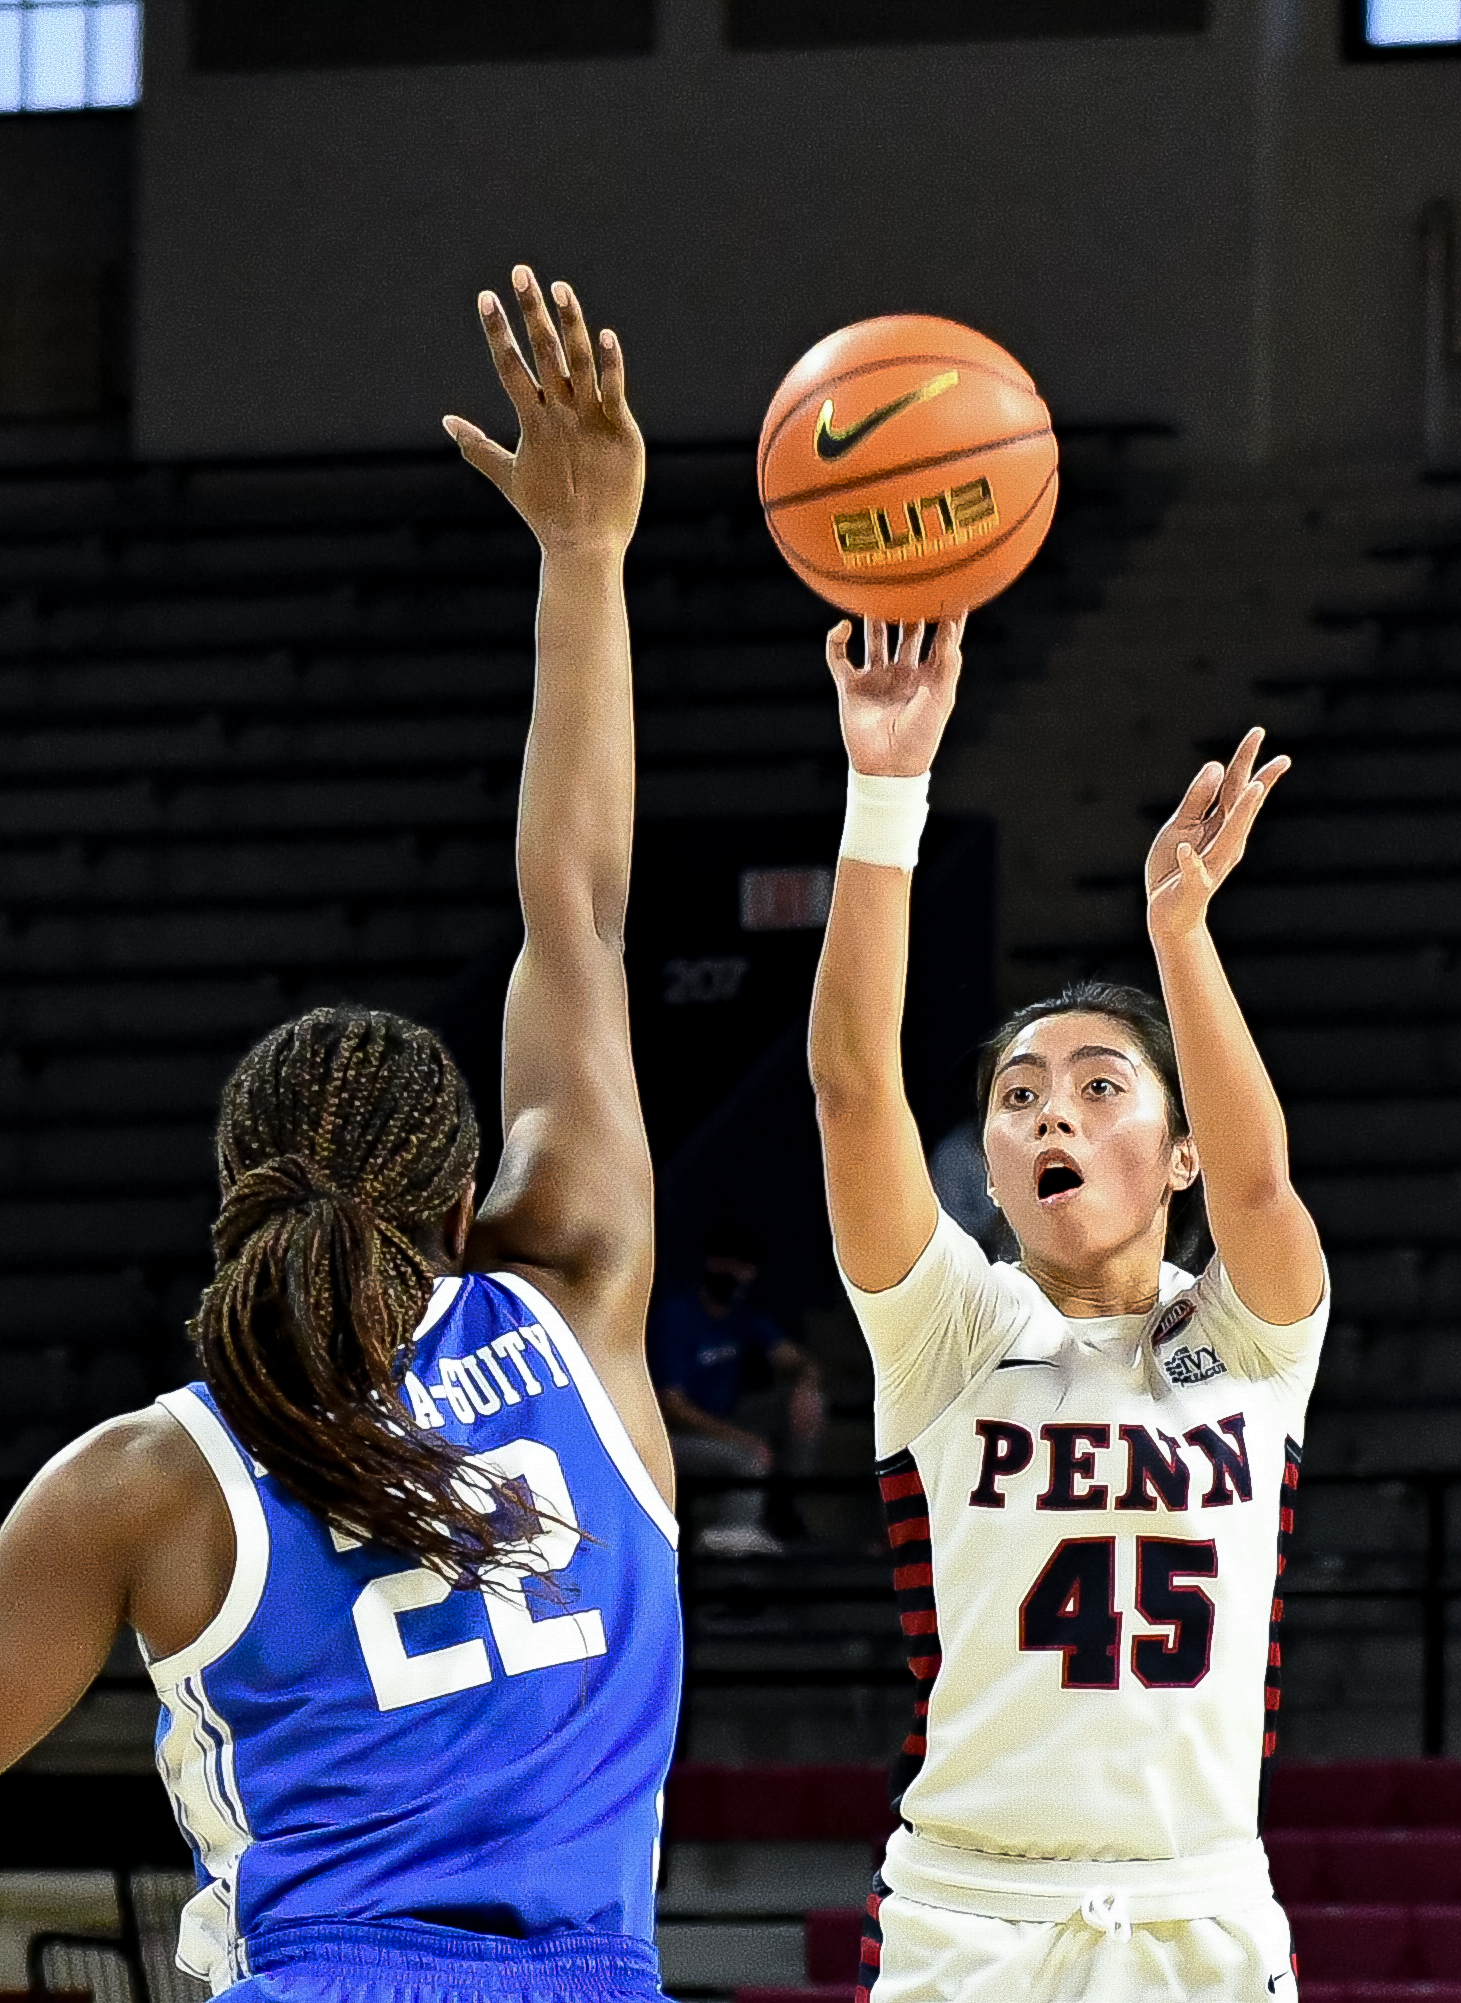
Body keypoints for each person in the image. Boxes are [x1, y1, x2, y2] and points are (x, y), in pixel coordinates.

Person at [0, 271, 680, 2003]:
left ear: (232, 1201)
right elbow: (578, 910)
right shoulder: (577, 1301)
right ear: (469, 1199)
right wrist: (586, 556)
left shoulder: (145, 1478)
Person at [808, 614, 1328, 2003]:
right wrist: (883, 786)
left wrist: (1177, 930)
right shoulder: (946, 1331)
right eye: (1018, 1093)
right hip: (970, 1917)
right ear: (988, 1162)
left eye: (1101, 1083)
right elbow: (852, 1085)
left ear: (1176, 1153)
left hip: (1199, 1909)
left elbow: (1263, 1174)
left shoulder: (1254, 1335)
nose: (1053, 1106)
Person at [650, 1227, 825, 1556]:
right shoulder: (677, 1316)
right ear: (709, 1264)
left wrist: (805, 1386)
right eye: (726, 1263)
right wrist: (739, 1438)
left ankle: (786, 1507)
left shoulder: (742, 1317)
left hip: (724, 1418)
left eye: (743, 1265)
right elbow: (673, 1407)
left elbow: (800, 1362)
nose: (734, 1273)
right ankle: (729, 1555)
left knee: (807, 1404)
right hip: (670, 1437)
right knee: (749, 1457)